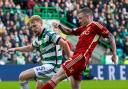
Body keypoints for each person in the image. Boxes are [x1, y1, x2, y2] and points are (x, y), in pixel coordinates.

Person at [39, 7, 117, 89]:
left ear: (87, 17)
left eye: (80, 18)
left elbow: (111, 36)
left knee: (56, 77)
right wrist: (59, 26)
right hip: (79, 59)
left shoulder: (95, 25)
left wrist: (114, 54)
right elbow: (69, 31)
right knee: (75, 86)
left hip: (80, 57)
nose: (79, 21)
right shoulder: (83, 28)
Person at [7, 15, 72, 89]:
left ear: (41, 23)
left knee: (22, 76)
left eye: (34, 26)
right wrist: (15, 49)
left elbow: (64, 44)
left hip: (52, 67)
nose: (33, 29)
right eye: (31, 27)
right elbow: (30, 48)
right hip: (47, 67)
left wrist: (70, 60)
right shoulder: (38, 38)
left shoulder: (49, 34)